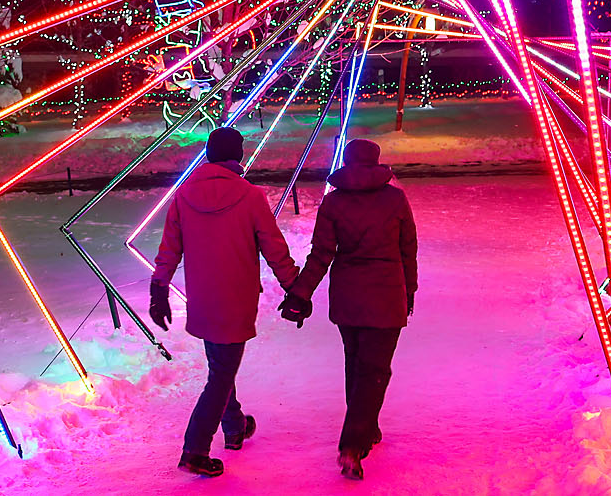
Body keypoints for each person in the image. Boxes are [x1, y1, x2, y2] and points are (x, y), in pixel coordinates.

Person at [150, 126, 298, 477]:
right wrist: (295, 287)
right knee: (220, 376)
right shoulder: (249, 196)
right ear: (239, 156)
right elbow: (274, 248)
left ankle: (234, 426)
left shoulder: (184, 195)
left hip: (201, 299)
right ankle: (195, 449)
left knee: (220, 368)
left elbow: (170, 248)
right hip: (236, 298)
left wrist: (159, 288)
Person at [279, 138, 417, 482]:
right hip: (386, 292)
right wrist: (409, 291)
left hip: (348, 294)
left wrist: (300, 292)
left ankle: (366, 427)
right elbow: (407, 250)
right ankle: (352, 445)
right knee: (375, 370)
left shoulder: (334, 202)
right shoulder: (395, 199)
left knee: (356, 363)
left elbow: (321, 254)